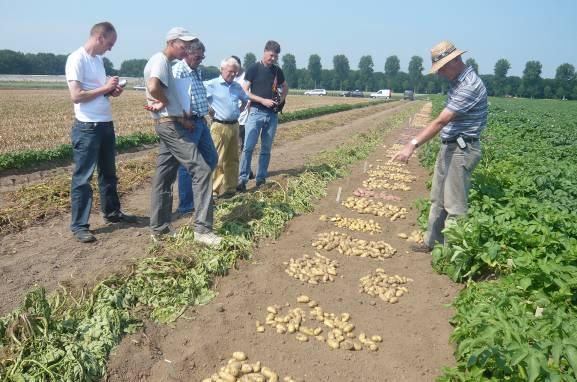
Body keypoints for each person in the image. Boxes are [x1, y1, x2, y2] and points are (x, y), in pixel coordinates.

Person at [392, 41, 487, 252]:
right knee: (437, 198)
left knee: (454, 205)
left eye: (442, 68)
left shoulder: (469, 85)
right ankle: (432, 243)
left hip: (462, 150)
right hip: (451, 146)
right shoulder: (458, 83)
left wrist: (412, 144)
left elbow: (441, 121)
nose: (440, 74)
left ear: (455, 61)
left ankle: (452, 254)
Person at [143, 27, 221, 246]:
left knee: (164, 177)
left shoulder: (164, 62)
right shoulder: (161, 59)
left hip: (169, 123)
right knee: (202, 169)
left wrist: (173, 109)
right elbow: (153, 86)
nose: (185, 49)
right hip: (169, 125)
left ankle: (159, 229)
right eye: (183, 45)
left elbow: (160, 93)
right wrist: (167, 104)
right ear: (171, 42)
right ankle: (203, 230)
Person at [65, 21, 137, 243]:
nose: (111, 48)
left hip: (105, 123)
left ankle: (112, 213)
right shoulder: (76, 59)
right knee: (83, 178)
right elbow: (76, 95)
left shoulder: (98, 60)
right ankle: (79, 226)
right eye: (110, 43)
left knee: (108, 174)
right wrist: (105, 88)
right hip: (87, 126)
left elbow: (97, 93)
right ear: (99, 37)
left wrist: (111, 91)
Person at [172, 40, 218, 214]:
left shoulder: (197, 71)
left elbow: (198, 94)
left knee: (211, 159)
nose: (201, 59)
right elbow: (174, 99)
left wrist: (207, 109)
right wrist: (184, 120)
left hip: (201, 121)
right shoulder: (178, 71)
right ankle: (186, 205)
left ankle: (201, 195)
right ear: (188, 54)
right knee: (187, 165)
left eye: (202, 56)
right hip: (188, 123)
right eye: (198, 56)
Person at [237, 40, 288, 191]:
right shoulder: (254, 68)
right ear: (265, 51)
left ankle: (261, 179)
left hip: (272, 116)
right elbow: (245, 91)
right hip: (255, 113)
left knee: (266, 149)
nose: (273, 59)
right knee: (248, 148)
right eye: (271, 55)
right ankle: (242, 179)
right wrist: (263, 100)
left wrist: (281, 100)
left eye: (276, 57)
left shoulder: (277, 71)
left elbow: (285, 86)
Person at [205, 57, 249, 197]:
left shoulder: (236, 86)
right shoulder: (211, 84)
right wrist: (208, 109)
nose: (233, 74)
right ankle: (213, 191)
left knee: (233, 158)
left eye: (235, 72)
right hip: (219, 126)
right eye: (230, 71)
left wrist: (239, 111)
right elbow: (197, 96)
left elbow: (245, 100)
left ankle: (231, 188)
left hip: (234, 125)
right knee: (217, 159)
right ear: (222, 69)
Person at [231, 55, 254, 180]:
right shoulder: (230, 77)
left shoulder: (246, 77)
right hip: (232, 118)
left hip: (244, 117)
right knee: (232, 147)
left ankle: (246, 170)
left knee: (244, 145)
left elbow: (249, 96)